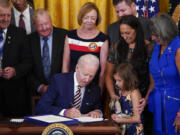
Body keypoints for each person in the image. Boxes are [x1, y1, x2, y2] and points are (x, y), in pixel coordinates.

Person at [35, 54, 102, 118]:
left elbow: (98, 108)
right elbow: (41, 107)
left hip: (82, 128)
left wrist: (97, 112)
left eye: (91, 76)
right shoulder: (59, 81)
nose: (87, 80)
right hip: (60, 127)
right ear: (77, 68)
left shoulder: (95, 89)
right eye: (85, 74)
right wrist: (65, 112)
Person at [145, 13, 180, 135]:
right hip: (158, 105)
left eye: (156, 35)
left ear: (166, 31)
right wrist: (145, 99)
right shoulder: (156, 47)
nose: (153, 38)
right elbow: (154, 81)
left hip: (175, 106)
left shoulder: (178, 49)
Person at [62, 2, 108, 93]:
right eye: (86, 17)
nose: (89, 21)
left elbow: (103, 71)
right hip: (72, 84)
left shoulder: (102, 39)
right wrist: (65, 86)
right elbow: (65, 64)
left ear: (97, 19)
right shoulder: (70, 36)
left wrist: (99, 91)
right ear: (81, 17)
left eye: (93, 18)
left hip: (92, 86)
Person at [0, 0, 32, 117]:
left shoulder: (19, 33)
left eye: (8, 15)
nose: (5, 19)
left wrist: (15, 71)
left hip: (14, 94)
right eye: (2, 15)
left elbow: (28, 60)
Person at [27, 8, 67, 96]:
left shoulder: (64, 36)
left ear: (51, 21)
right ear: (34, 25)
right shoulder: (29, 40)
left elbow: (69, 65)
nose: (44, 28)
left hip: (61, 90)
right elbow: (27, 69)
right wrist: (40, 87)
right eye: (40, 25)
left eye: (46, 23)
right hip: (37, 92)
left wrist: (59, 86)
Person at [111, 63, 143, 135]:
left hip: (134, 130)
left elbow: (137, 118)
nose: (116, 83)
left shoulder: (134, 93)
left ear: (128, 79)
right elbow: (123, 112)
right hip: (124, 129)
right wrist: (117, 116)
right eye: (115, 80)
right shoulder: (120, 91)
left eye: (119, 80)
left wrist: (121, 120)